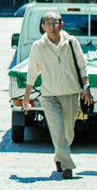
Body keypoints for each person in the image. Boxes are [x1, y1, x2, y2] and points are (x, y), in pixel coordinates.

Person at [22, 11, 93, 179]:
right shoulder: (38, 47)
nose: (52, 27)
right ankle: (68, 166)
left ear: (62, 24)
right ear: (43, 27)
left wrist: (86, 87)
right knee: (58, 131)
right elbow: (32, 73)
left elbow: (82, 66)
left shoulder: (71, 42)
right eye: (48, 23)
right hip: (49, 96)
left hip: (70, 93)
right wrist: (26, 96)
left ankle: (58, 158)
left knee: (68, 132)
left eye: (55, 23)